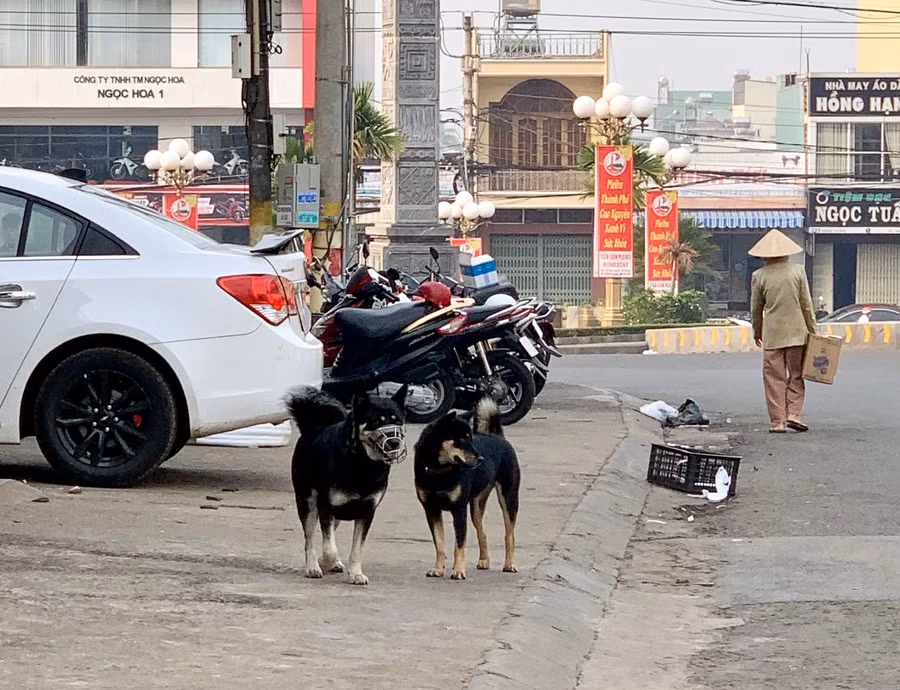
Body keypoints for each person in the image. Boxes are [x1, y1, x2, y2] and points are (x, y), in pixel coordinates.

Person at [749, 229, 817, 434]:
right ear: (787, 253)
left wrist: (757, 331)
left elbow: (756, 308)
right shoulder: (798, 271)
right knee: (796, 374)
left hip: (772, 335)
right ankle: (793, 414)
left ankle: (778, 421)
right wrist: (813, 330)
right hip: (798, 333)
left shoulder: (758, 276)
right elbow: (807, 305)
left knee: (773, 378)